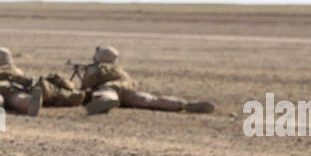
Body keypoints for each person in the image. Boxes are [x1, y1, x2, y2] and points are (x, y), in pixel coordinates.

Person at [76, 46, 215, 115]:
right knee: (150, 100)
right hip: (128, 88)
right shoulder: (118, 68)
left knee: (105, 92)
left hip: (112, 87)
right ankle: (182, 104)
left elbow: (87, 85)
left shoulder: (97, 68)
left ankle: (106, 102)